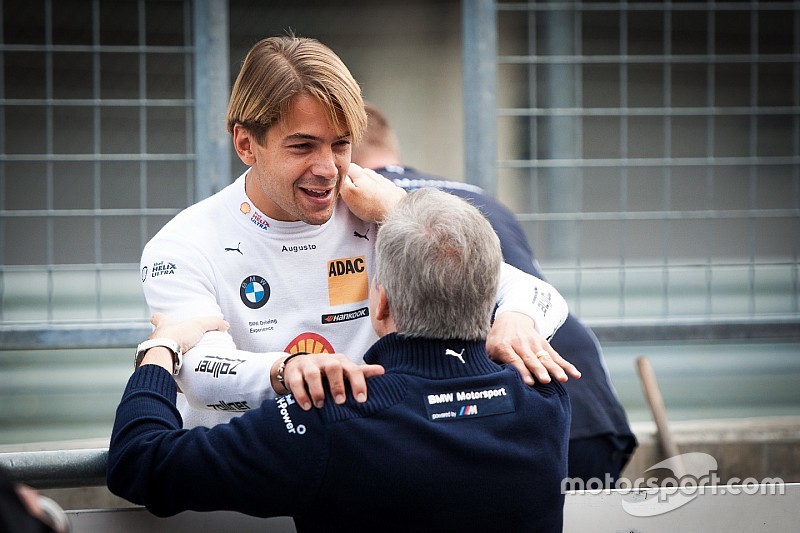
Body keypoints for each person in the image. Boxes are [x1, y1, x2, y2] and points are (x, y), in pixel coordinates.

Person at [139, 35, 579, 429]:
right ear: (245, 144)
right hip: (237, 498)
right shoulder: (184, 243)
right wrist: (288, 371)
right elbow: (197, 372)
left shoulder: (373, 210)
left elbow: (537, 294)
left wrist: (515, 318)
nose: (328, 169)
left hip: (361, 478)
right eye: (303, 146)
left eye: (341, 144)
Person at [109, 189, 571, 532]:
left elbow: (141, 464)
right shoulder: (545, 398)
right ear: (490, 298)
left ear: (382, 305)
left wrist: (160, 352)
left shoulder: (330, 420)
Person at [352, 102, 637, 485]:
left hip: (499, 419)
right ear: (391, 146)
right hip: (584, 406)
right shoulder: (479, 199)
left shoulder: (357, 213)